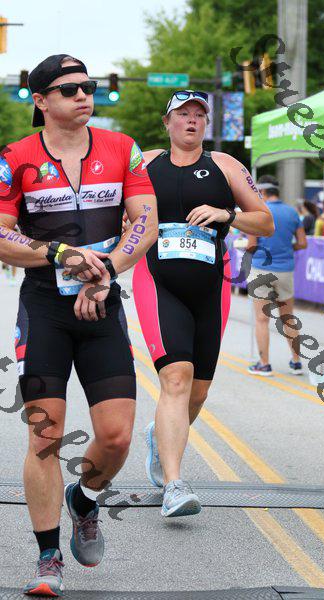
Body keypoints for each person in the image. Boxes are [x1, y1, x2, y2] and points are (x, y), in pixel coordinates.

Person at [0, 54, 158, 597]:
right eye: (69, 89)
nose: (83, 95)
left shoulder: (121, 147)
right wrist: (61, 253)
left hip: (103, 303)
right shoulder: (15, 157)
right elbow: (1, 233)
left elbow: (144, 221)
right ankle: (48, 558)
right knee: (45, 436)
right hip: (44, 308)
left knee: (115, 437)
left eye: (87, 86)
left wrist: (106, 271)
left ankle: (83, 499)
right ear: (41, 100)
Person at [131, 90, 274, 518]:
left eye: (199, 114)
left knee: (198, 391)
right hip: (158, 279)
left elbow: (264, 220)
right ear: (167, 122)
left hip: (212, 284)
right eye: (183, 114)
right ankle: (174, 485)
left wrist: (226, 214)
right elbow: (117, 209)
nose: (192, 120)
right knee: (176, 377)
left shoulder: (225, 166)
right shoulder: (145, 163)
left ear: (206, 123)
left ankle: (160, 436)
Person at [246, 175, 307, 377]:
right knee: (288, 318)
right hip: (285, 269)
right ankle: (296, 362)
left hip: (261, 269)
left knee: (262, 319)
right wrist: (287, 249)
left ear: (262, 191)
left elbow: (252, 245)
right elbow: (302, 243)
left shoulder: (258, 212)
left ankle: (264, 364)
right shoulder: (292, 212)